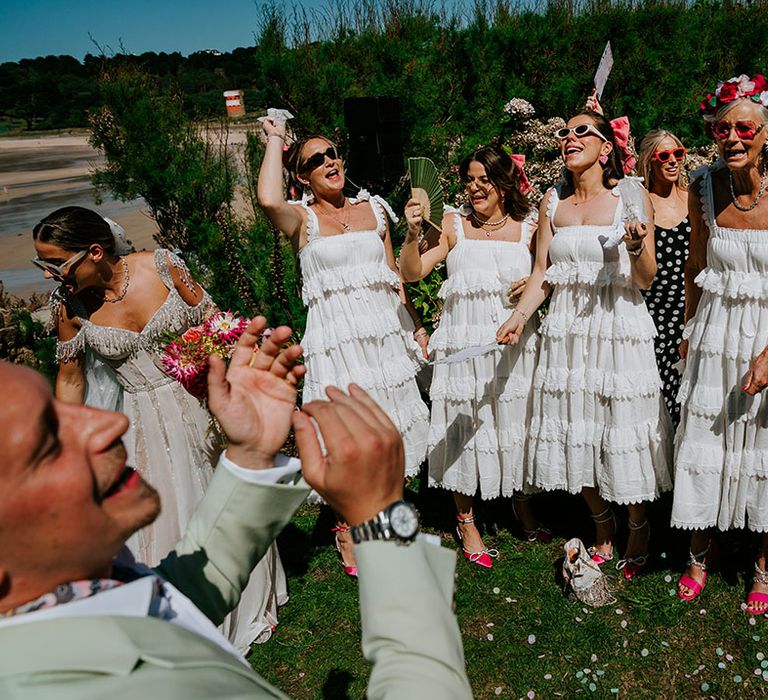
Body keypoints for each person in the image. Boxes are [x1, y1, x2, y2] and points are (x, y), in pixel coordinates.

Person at [0, 318, 473, 700]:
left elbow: (170, 602)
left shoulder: (63, 609)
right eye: (48, 442)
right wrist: (385, 518)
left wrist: (250, 454)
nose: (110, 423)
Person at [31, 206, 285, 651]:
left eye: (57, 263)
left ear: (94, 252)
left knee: (220, 496)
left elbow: (216, 324)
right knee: (168, 509)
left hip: (201, 404)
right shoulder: (68, 308)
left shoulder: (164, 267)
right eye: (43, 265)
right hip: (143, 422)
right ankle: (183, 611)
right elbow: (71, 379)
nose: (52, 275)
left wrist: (224, 373)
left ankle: (243, 594)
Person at [496, 109, 673, 580]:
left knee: (620, 426)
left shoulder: (630, 196)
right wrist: (517, 317)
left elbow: (645, 278)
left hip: (617, 328)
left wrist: (636, 249)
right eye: (563, 133)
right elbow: (541, 275)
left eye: (581, 132)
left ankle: (638, 524)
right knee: (575, 425)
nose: (568, 138)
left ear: (605, 147)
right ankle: (601, 521)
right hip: (568, 335)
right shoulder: (552, 202)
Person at [257, 119, 430, 575]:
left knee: (388, 427)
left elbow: (395, 278)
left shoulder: (374, 208)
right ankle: (345, 527)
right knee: (345, 437)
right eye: (315, 160)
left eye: (332, 153)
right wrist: (276, 137)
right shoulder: (301, 218)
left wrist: (414, 326)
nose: (329, 162)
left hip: (383, 337)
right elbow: (267, 199)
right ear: (303, 176)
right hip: (336, 340)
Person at [399, 146, 548, 568]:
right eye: (469, 179)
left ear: (504, 182)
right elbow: (412, 272)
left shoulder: (530, 226)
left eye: (484, 179)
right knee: (461, 422)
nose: (475, 187)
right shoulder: (452, 224)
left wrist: (538, 282)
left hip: (511, 341)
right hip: (463, 341)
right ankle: (465, 519)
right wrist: (412, 235)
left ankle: (520, 502)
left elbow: (550, 271)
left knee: (514, 419)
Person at [673, 74, 768, 614]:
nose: (732, 137)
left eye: (745, 128)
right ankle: (697, 552)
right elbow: (694, 265)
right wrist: (689, 332)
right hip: (715, 332)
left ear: (764, 135)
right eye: (723, 127)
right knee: (706, 439)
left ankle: (762, 566)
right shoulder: (703, 185)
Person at [636, 130, 690, 426]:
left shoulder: (694, 196)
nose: (673, 161)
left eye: (678, 154)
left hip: (692, 308)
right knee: (662, 394)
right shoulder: (643, 203)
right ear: (650, 161)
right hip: (654, 312)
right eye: (664, 156)